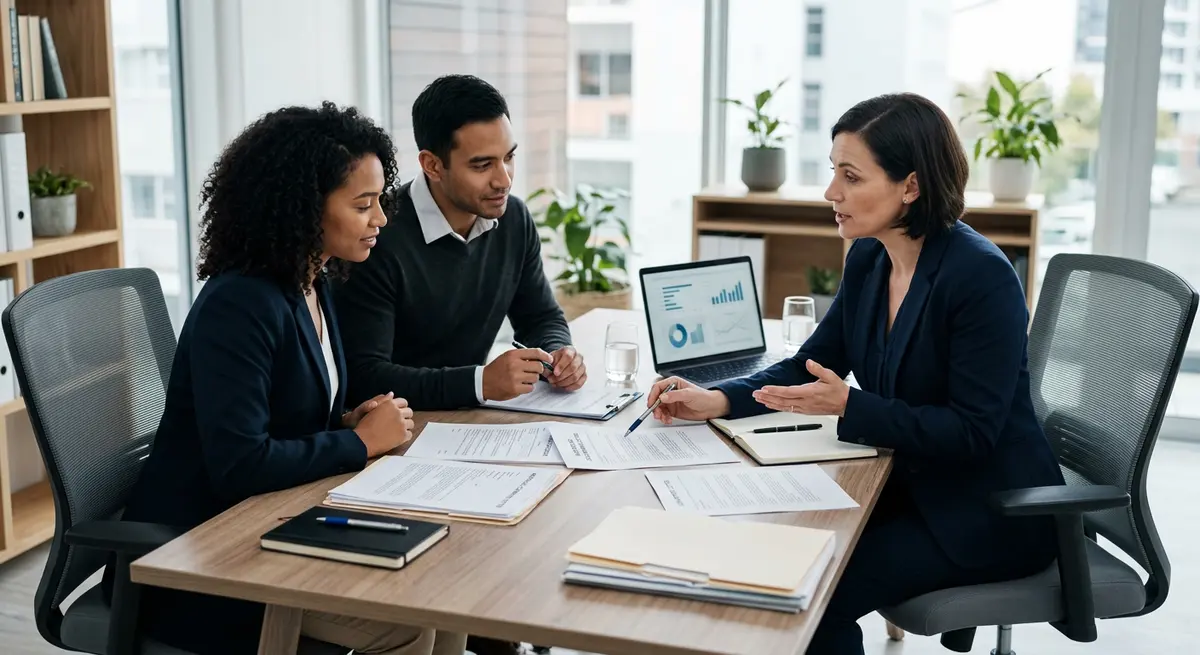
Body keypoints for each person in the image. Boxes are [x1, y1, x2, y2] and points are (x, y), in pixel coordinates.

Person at [644, 93, 1065, 655]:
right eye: (832, 172)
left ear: (910, 186)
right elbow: (809, 364)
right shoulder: (869, 257)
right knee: (768, 550)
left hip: (984, 512)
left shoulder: (981, 278)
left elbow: (972, 434)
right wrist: (716, 399)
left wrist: (851, 405)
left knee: (812, 596)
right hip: (906, 481)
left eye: (851, 176)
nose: (831, 193)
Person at [111, 102, 466, 655]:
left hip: (273, 521)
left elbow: (281, 413)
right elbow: (239, 464)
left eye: (379, 201)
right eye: (363, 205)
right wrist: (357, 442)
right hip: (199, 557)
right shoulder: (239, 304)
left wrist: (344, 422)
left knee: (445, 593)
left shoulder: (311, 280)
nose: (381, 219)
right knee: (405, 623)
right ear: (304, 207)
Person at [335, 74, 586, 418]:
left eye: (508, 157)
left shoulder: (514, 219)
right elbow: (364, 376)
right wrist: (479, 383)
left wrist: (559, 353)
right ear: (433, 165)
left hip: (470, 420)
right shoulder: (374, 235)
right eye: (482, 165)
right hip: (398, 428)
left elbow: (540, 317)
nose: (504, 179)